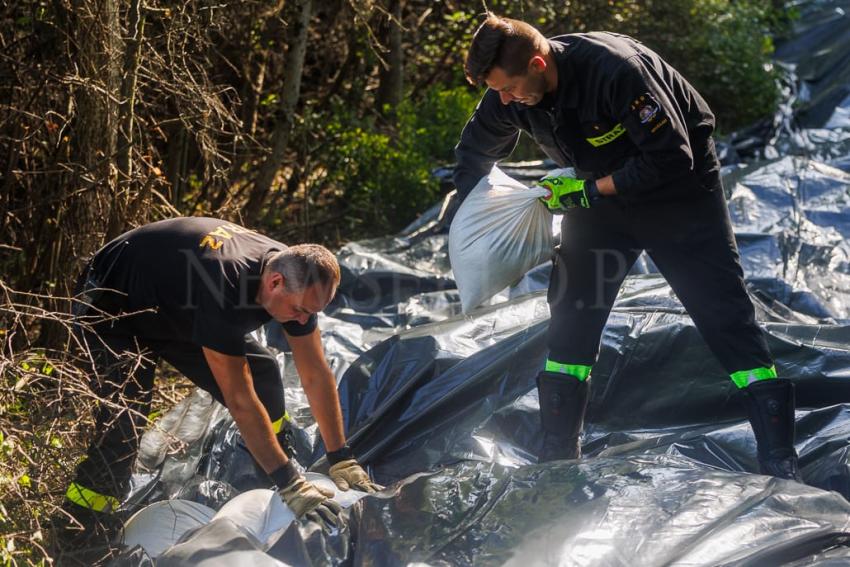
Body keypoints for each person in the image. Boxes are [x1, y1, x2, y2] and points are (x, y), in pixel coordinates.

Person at [453, 15, 801, 481]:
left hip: (677, 196)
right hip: (597, 200)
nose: (505, 100)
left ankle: (780, 459)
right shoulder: (510, 90)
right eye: (498, 91)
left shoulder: (617, 72)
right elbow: (475, 152)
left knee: (723, 315)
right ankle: (557, 459)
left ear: (538, 63)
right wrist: (469, 218)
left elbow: (672, 158)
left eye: (510, 89)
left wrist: (591, 191)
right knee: (573, 318)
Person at [59, 216, 381, 553]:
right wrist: (292, 483)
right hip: (112, 308)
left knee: (265, 374)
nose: (303, 320)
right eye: (299, 310)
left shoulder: (297, 272)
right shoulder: (223, 287)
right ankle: (78, 534)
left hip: (170, 303)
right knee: (122, 429)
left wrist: (340, 456)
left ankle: (271, 474)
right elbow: (239, 399)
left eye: (311, 313)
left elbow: (315, 372)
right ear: (274, 283)